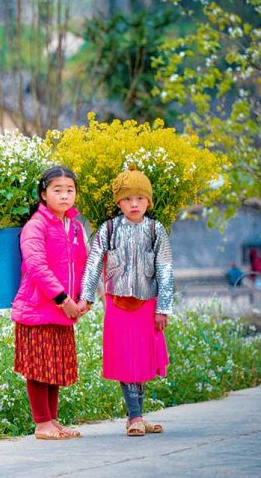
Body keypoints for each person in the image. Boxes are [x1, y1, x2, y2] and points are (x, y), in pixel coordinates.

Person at [78, 166, 173, 437]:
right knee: (126, 359)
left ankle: (137, 416)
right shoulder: (107, 230)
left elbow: (165, 270)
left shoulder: (157, 231)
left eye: (140, 199)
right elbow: (93, 264)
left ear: (148, 202)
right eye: (128, 199)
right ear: (118, 202)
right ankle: (135, 416)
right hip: (118, 306)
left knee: (142, 359)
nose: (134, 204)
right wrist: (87, 298)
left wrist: (163, 308)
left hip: (147, 305)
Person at [11, 165, 89, 440]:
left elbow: (83, 264)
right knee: (38, 366)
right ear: (43, 194)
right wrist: (62, 298)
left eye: (70, 190)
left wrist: (84, 298)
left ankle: (53, 421)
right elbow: (36, 265)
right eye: (57, 190)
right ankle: (41, 423)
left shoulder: (76, 228)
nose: (64, 196)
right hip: (37, 307)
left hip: (65, 308)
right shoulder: (36, 225)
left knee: (54, 366)